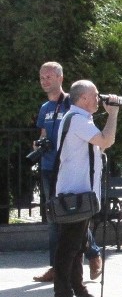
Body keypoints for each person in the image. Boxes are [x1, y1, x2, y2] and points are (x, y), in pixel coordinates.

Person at [32, 62, 103, 284]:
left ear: (61, 78)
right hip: (48, 168)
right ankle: (57, 267)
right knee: (55, 218)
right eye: (42, 77)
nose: (45, 81)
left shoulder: (71, 104)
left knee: (74, 215)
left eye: (49, 77)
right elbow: (43, 134)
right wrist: (39, 145)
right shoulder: (44, 108)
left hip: (69, 171)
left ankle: (92, 254)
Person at [52, 81, 120, 297]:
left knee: (78, 244)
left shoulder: (80, 119)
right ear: (82, 99)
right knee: (69, 246)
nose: (99, 98)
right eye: (95, 95)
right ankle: (63, 293)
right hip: (75, 193)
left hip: (81, 192)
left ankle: (77, 289)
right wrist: (113, 114)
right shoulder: (78, 120)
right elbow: (106, 141)